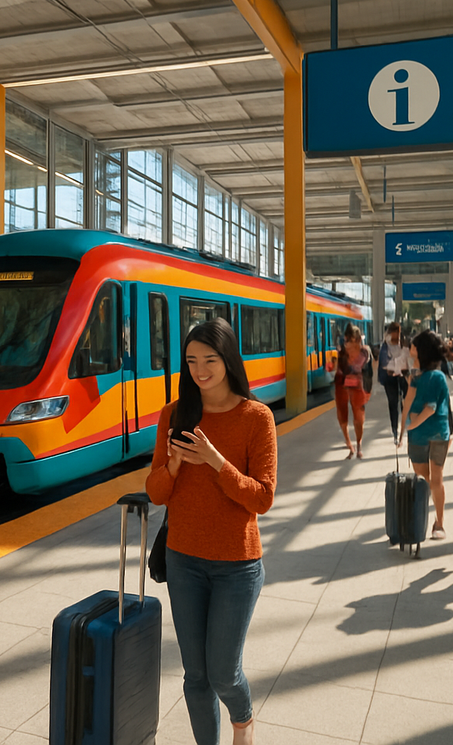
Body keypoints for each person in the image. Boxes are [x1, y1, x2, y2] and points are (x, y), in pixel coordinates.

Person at [145, 318, 276, 745]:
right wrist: (176, 464)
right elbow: (156, 493)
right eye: (191, 361)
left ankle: (243, 718)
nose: (200, 370)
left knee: (223, 672)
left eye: (210, 360)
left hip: (237, 566)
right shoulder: (174, 415)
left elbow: (262, 498)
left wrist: (216, 462)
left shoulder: (257, 417)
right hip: (184, 561)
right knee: (195, 676)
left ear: (229, 361)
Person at [400, 330, 452, 539]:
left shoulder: (436, 376)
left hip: (434, 433)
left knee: (433, 479)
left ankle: (439, 522)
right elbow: (408, 399)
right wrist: (401, 427)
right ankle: (430, 519)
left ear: (421, 350)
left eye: (413, 346)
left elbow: (430, 408)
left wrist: (410, 425)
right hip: (423, 433)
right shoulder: (416, 375)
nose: (410, 349)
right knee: (424, 479)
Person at [329, 324, 374, 459]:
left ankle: (359, 445)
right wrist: (333, 365)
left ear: (358, 340)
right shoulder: (340, 354)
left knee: (358, 419)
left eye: (353, 340)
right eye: (347, 340)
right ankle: (350, 445)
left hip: (358, 387)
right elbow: (337, 368)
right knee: (342, 417)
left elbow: (362, 368)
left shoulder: (365, 352)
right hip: (341, 386)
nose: (349, 343)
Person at [378, 322, 410, 446]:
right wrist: (398, 363)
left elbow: (406, 359)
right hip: (390, 379)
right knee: (393, 403)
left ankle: (404, 428)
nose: (398, 335)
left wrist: (396, 364)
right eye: (396, 332)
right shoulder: (385, 346)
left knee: (406, 402)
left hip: (403, 377)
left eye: (399, 332)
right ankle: (395, 431)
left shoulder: (404, 343)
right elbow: (385, 364)